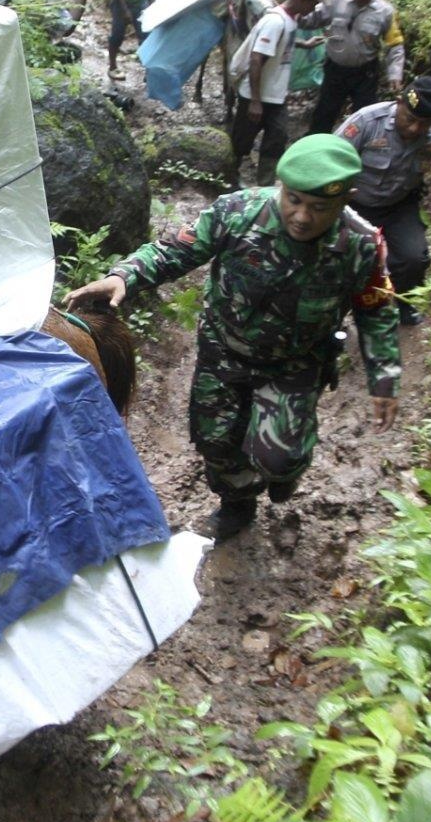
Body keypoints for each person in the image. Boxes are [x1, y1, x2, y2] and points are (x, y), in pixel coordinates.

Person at [66, 134, 402, 541]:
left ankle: (284, 467)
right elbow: (173, 250)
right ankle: (237, 505)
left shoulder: (361, 245)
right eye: (293, 200)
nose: (301, 216)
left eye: (319, 207)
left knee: (279, 460)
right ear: (280, 186)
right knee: (216, 442)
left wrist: (383, 378)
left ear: (346, 197)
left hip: (294, 365)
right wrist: (124, 275)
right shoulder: (237, 212)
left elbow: (376, 310)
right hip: (224, 354)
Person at [336, 75, 431, 325]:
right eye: (410, 119)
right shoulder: (367, 121)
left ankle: (406, 303)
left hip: (399, 205)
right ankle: (338, 314)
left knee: (414, 258)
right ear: (399, 102)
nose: (415, 129)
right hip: (353, 204)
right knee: (344, 260)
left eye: (424, 124)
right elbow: (330, 155)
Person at [231, 0, 329, 187]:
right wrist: (256, 101)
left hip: (276, 94)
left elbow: (283, 44)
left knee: (277, 137)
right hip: (256, 95)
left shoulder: (290, 18)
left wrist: (305, 44)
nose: (313, 9)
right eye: (313, 3)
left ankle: (265, 185)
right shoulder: (275, 21)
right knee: (241, 142)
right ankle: (229, 177)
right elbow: (256, 59)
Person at [300, 0, 406, 135]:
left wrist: (395, 74)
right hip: (335, 71)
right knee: (324, 114)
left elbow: (395, 44)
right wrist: (294, 10)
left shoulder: (385, 11)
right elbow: (311, 19)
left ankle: (360, 155)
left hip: (364, 74)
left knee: (366, 118)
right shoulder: (337, 1)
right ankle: (315, 149)